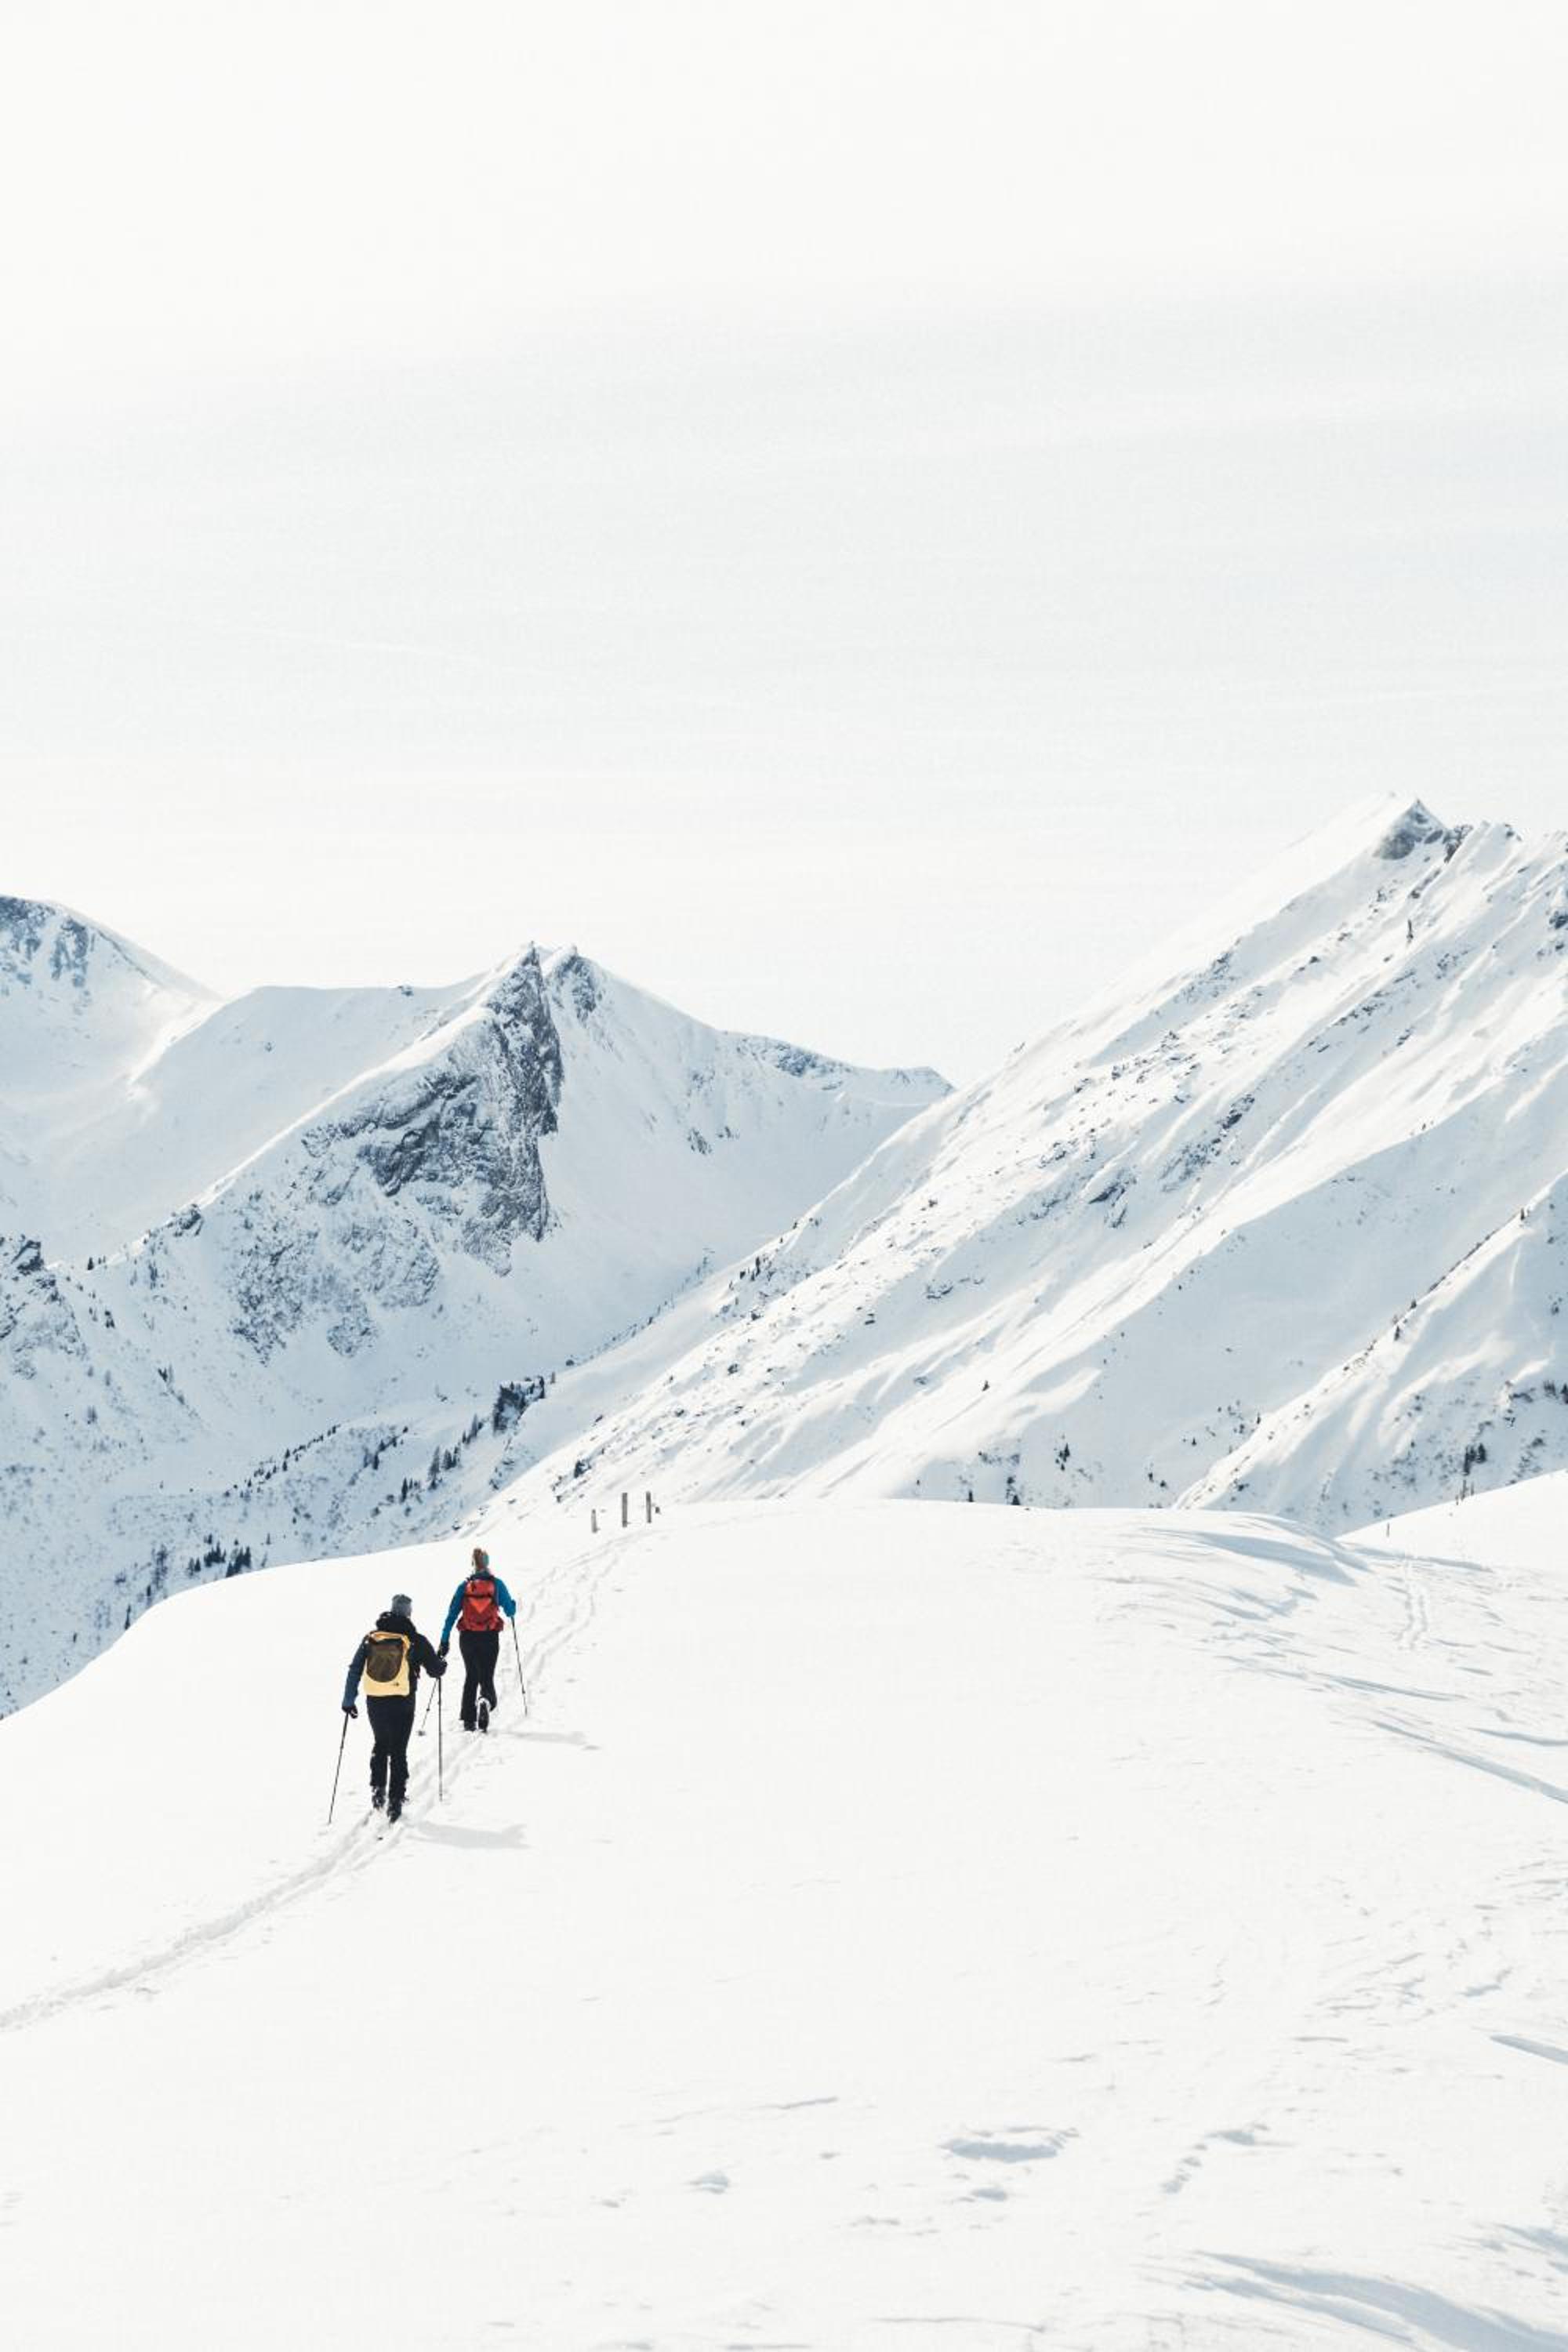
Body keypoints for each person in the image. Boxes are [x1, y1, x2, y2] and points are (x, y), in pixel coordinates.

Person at [342, 1591, 445, 1822]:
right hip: (403, 1701)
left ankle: (378, 1790)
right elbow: (435, 1670)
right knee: (399, 1749)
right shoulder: (415, 1639)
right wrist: (442, 1664)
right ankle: (396, 1801)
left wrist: (348, 1700)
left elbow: (355, 1669)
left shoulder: (371, 1638)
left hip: (375, 1700)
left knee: (381, 1743)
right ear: (409, 1614)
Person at [437, 1545, 517, 1733]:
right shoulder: (497, 1584)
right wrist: (512, 1604)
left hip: (468, 1638)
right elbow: (510, 1611)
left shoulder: (464, 1587)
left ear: (473, 1565)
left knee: (471, 1676)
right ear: (487, 1564)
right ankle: (485, 1700)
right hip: (489, 1637)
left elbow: (451, 1615)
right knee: (487, 1676)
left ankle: (468, 1720)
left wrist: (444, 1641)